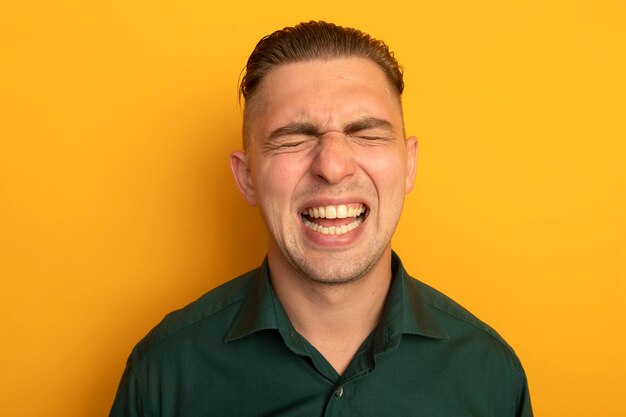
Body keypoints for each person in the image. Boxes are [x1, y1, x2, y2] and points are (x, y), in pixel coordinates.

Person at [110, 21, 533, 416]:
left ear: (409, 166)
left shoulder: (491, 376)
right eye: (294, 139)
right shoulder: (162, 374)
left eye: (365, 133)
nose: (332, 166)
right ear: (247, 178)